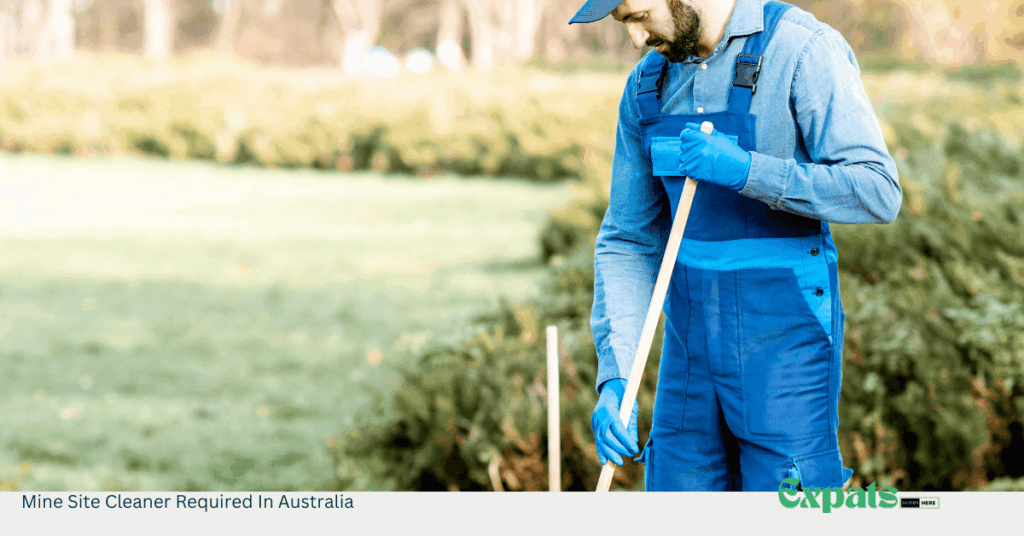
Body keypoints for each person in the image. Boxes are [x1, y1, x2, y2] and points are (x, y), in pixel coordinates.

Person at [575, 0, 902, 491]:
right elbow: (628, 240)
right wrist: (616, 375)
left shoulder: (802, 50)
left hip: (784, 354)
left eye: (639, 17)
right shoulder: (647, 84)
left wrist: (750, 172)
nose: (636, 41)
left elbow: (878, 190)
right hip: (689, 361)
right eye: (625, 24)